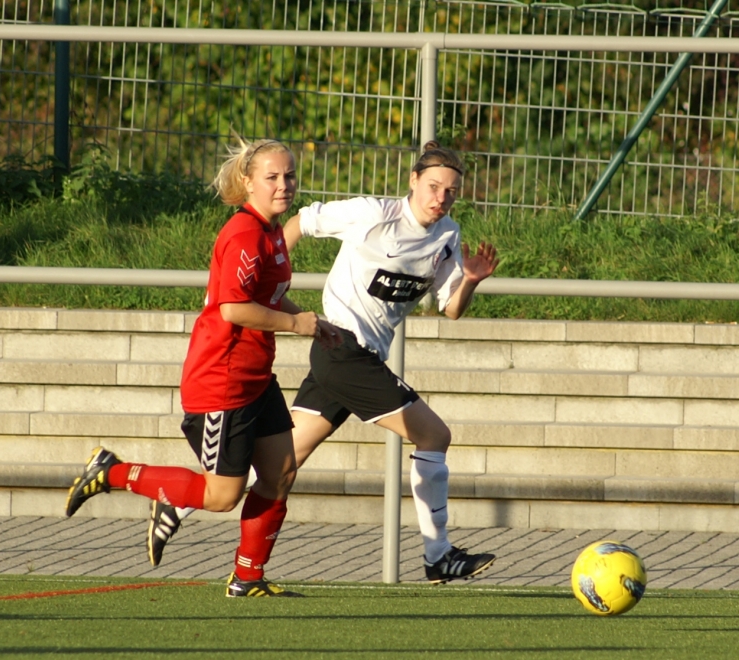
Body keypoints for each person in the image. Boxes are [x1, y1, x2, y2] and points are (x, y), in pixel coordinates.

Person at [149, 140, 502, 585]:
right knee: (434, 434)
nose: (440, 198)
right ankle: (439, 555)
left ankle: (179, 503)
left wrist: (469, 280)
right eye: (433, 186)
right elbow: (303, 222)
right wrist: (270, 274)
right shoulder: (373, 214)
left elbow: (449, 308)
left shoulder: (447, 235)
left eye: (450, 191)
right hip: (342, 350)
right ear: (413, 181)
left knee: (283, 462)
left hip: (360, 354)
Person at [64, 138, 342, 597]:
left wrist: (315, 324)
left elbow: (263, 296)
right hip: (222, 382)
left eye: (289, 175)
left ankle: (247, 578)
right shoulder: (244, 233)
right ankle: (111, 471)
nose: (284, 185)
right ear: (248, 181)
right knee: (222, 496)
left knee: (280, 473)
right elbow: (234, 308)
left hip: (255, 377)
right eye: (272, 177)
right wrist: (296, 323)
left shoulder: (272, 231)